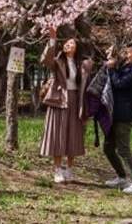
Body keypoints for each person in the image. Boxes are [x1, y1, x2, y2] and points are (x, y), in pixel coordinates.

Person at [41, 26, 93, 184]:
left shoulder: (81, 65)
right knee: (58, 134)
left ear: (77, 48)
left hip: (76, 100)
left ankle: (69, 169)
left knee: (74, 135)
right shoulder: (57, 61)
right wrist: (52, 40)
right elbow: (46, 59)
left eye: (72, 44)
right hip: (59, 99)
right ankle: (57, 169)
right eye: (66, 43)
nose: (68, 45)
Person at [103, 42, 132, 195]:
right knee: (108, 148)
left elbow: (119, 83)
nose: (127, 55)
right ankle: (121, 176)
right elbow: (115, 66)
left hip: (124, 115)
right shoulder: (127, 67)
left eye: (129, 53)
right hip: (113, 113)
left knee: (123, 149)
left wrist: (111, 69)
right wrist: (112, 57)